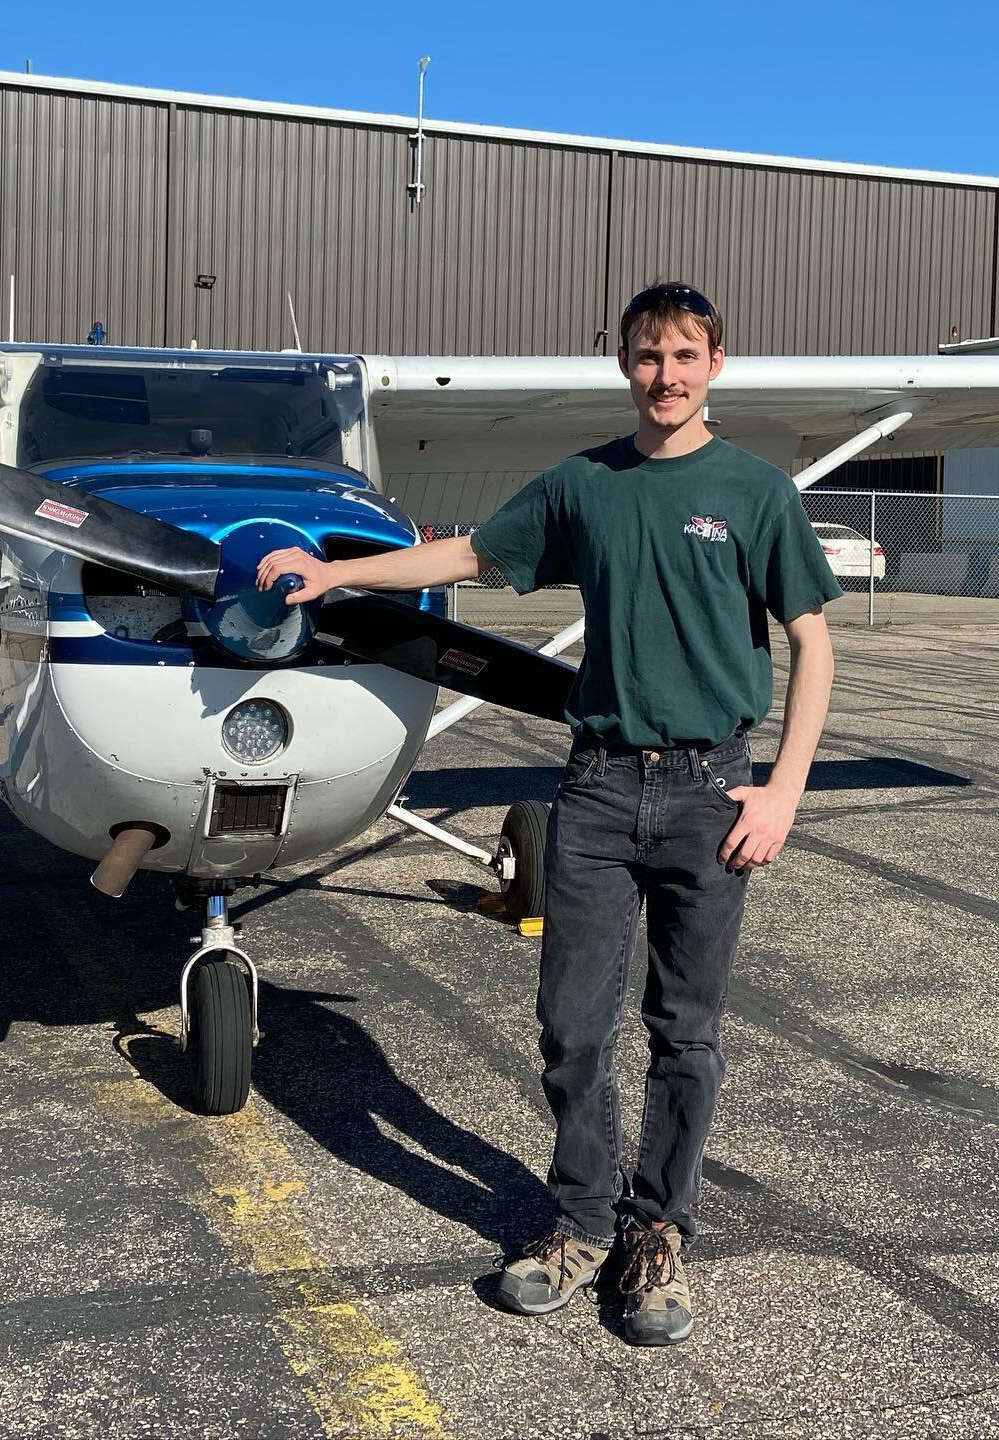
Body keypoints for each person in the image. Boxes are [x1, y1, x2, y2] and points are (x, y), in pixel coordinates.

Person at [256, 282, 841, 1346]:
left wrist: (787, 787)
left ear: (717, 362)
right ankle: (578, 1223)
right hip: (600, 788)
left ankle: (658, 1231)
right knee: (574, 1026)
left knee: (685, 1032)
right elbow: (470, 555)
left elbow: (815, 642)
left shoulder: (756, 493)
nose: (664, 375)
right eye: (646, 355)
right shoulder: (585, 486)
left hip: (713, 792)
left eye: (684, 355)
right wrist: (335, 574)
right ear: (623, 364)